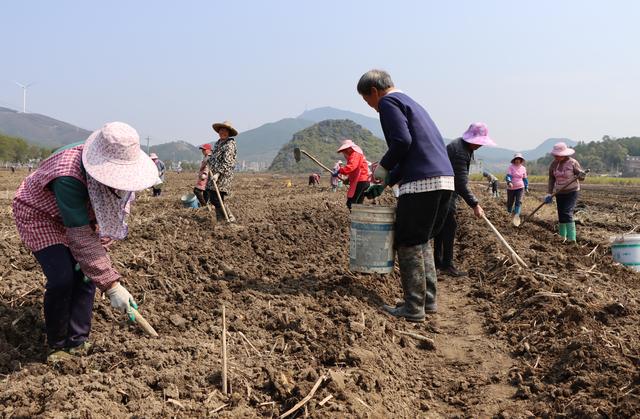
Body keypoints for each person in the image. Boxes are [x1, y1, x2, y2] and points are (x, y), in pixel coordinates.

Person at [12, 122, 159, 363]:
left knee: (86, 275)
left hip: (80, 216)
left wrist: (98, 266)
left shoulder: (116, 177)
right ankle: (58, 344)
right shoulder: (68, 175)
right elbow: (79, 234)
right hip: (41, 216)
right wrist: (112, 285)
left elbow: (116, 207)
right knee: (62, 278)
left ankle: (78, 341)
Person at [358, 69, 454, 321]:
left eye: (369, 101)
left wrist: (384, 166)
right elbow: (414, 147)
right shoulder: (411, 102)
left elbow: (402, 141)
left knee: (408, 241)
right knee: (422, 241)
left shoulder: (389, 102)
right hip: (443, 180)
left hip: (422, 183)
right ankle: (427, 300)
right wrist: (389, 179)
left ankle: (413, 307)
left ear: (375, 92)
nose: (373, 108)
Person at [433, 123, 495, 278]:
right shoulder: (460, 151)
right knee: (449, 226)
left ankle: (438, 261)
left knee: (442, 225)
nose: (481, 145)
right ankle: (446, 265)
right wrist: (475, 204)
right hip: (446, 190)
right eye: (480, 142)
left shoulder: (462, 147)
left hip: (442, 188)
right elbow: (460, 183)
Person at [544, 142, 586, 242]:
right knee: (561, 215)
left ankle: (572, 239)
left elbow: (581, 178)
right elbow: (551, 179)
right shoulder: (554, 164)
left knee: (567, 213)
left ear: (564, 154)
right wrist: (549, 193)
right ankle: (562, 237)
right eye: (555, 155)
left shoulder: (572, 163)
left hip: (571, 191)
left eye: (558, 155)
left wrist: (581, 175)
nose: (556, 157)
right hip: (559, 192)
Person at [207, 120, 238, 222]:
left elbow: (228, 162)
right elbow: (213, 157)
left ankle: (229, 217)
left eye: (225, 130)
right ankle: (221, 219)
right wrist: (208, 159)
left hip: (222, 176)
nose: (222, 132)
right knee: (212, 197)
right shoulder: (218, 143)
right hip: (213, 175)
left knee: (217, 198)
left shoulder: (230, 144)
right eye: (221, 130)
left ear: (228, 132)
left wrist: (218, 173)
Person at [334, 140, 370, 210]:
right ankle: (358, 219)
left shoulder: (355, 154)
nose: (344, 152)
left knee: (352, 203)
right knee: (358, 204)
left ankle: (357, 219)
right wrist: (347, 180)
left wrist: (340, 170)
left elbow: (351, 167)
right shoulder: (356, 155)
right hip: (362, 181)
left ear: (350, 148)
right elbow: (355, 170)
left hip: (360, 181)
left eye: (345, 150)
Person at [505, 153, 528, 220]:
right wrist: (509, 182)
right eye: (516, 159)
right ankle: (508, 214)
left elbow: (525, 178)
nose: (517, 161)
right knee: (510, 202)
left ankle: (516, 216)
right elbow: (508, 176)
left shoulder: (523, 168)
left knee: (519, 201)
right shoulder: (511, 167)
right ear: (514, 160)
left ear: (521, 160)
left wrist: (526, 186)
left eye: (519, 159)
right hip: (511, 188)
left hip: (520, 187)